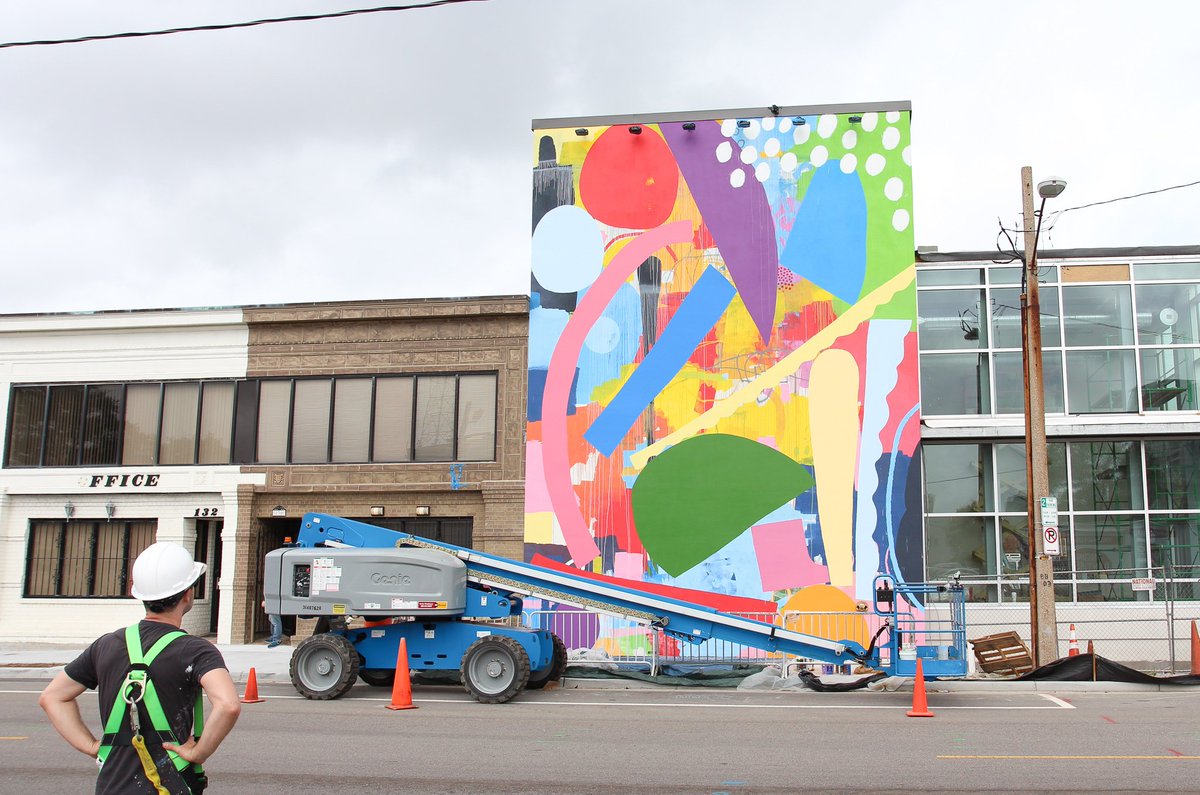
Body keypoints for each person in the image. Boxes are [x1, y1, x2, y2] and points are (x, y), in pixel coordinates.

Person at [40, 541, 242, 794]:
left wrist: (93, 745)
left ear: (141, 595)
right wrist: (199, 751)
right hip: (169, 784)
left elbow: (52, 697)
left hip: (112, 785)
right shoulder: (195, 650)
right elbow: (228, 704)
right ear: (188, 594)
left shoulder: (106, 645)